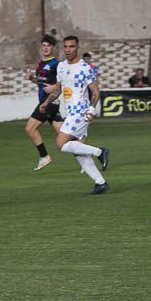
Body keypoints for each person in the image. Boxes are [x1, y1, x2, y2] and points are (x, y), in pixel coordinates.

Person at [40, 35, 110, 194]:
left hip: (81, 111)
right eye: (65, 47)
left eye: (71, 46)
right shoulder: (61, 67)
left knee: (60, 143)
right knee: (78, 150)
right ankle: (101, 183)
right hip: (71, 112)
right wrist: (46, 102)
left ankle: (100, 151)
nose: (68, 50)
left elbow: (95, 92)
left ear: (77, 48)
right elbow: (57, 89)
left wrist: (92, 109)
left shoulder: (85, 67)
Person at [24, 34, 63, 171]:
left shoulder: (56, 64)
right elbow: (42, 83)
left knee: (30, 128)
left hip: (49, 103)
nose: (46, 48)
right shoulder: (40, 64)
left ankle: (44, 156)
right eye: (44, 46)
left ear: (53, 48)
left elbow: (62, 82)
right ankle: (92, 153)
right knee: (64, 135)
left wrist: (55, 87)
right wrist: (32, 79)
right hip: (45, 102)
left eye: (48, 46)